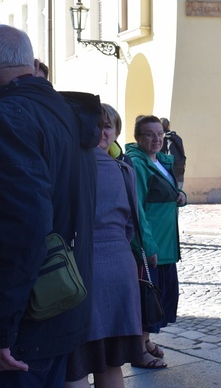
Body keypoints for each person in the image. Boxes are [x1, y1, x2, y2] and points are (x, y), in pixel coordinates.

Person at [0, 24, 101, 387]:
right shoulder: (61, 110)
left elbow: (19, 231)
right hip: (53, 309)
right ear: (29, 62)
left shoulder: (7, 117)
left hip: (21, 326)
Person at [65, 104, 144, 387]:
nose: (102, 131)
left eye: (107, 125)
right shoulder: (124, 170)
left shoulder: (67, 167)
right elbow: (131, 226)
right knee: (112, 364)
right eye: (98, 125)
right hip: (119, 268)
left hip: (79, 269)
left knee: (74, 364)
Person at [125, 115, 187, 369]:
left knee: (158, 297)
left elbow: (167, 192)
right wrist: (147, 246)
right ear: (138, 138)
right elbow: (137, 208)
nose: (157, 139)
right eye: (150, 134)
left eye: (160, 134)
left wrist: (180, 195)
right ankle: (138, 351)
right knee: (146, 298)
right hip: (151, 246)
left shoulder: (160, 161)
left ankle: (147, 341)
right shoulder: (138, 164)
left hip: (166, 246)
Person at [159, 117, 187, 189]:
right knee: (179, 193)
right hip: (179, 170)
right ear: (169, 125)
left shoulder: (160, 139)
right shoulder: (177, 138)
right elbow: (182, 153)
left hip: (166, 171)